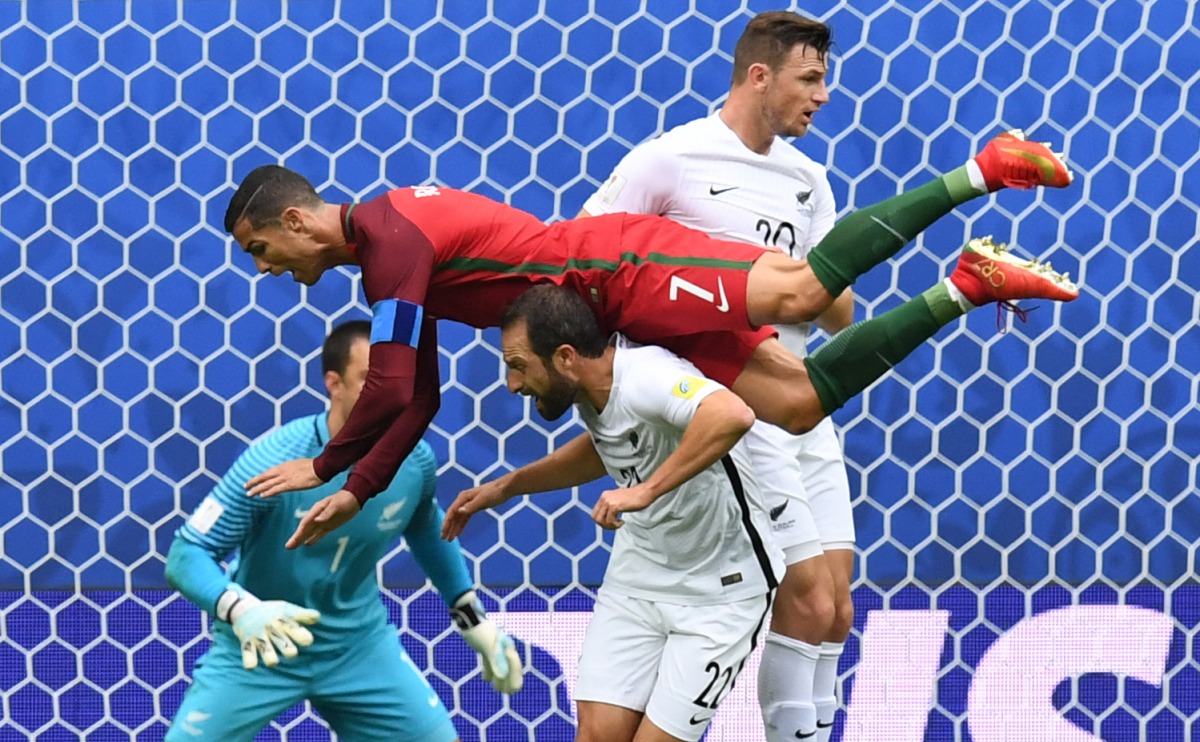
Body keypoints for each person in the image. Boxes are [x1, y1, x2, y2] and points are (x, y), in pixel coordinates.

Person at [227, 135, 1075, 544]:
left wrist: (328, 463)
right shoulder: (386, 268)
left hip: (616, 268)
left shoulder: (393, 235)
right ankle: (968, 284)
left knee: (808, 290)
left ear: (297, 220)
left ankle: (982, 170)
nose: (266, 269)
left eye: (262, 249)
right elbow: (420, 394)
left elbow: (386, 387)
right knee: (796, 402)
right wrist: (364, 486)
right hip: (610, 319)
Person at [577, 12, 851, 742]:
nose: (822, 97)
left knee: (834, 609)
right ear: (758, 76)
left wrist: (808, 279)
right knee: (804, 594)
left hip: (802, 400)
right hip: (738, 408)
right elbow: (589, 257)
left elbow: (840, 310)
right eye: (810, 79)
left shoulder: (808, 179)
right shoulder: (671, 158)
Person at [142, 321, 523, 742]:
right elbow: (186, 554)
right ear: (333, 383)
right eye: (369, 380)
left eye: (395, 384)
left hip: (358, 647)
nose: (387, 396)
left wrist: (472, 620)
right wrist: (242, 611)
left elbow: (426, 529)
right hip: (260, 647)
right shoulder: (274, 460)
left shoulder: (414, 461)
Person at [441, 284, 787, 742]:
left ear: (564, 357)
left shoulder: (647, 375)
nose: (513, 384)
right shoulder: (591, 390)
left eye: (518, 365)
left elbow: (730, 415)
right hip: (638, 579)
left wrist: (644, 491)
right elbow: (610, 444)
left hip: (722, 594)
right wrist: (507, 486)